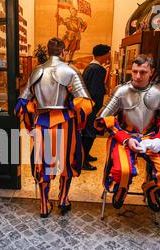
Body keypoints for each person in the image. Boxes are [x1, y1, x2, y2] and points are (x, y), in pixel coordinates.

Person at [15, 38, 93, 218]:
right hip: (66, 122)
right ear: (64, 52)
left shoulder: (36, 71)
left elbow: (22, 103)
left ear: (48, 51)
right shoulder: (70, 71)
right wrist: (76, 113)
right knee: (68, 161)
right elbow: (85, 105)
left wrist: (31, 119)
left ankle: (44, 205)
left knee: (43, 164)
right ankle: (63, 199)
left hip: (42, 123)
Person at [95, 54, 160, 212]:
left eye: (142, 72)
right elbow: (103, 119)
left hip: (151, 138)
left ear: (151, 71)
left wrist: (159, 140)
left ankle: (149, 188)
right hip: (124, 136)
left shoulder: (159, 92)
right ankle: (121, 188)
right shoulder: (121, 91)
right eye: (134, 71)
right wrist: (126, 139)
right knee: (123, 170)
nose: (137, 76)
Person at [81, 44, 111, 171]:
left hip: (85, 105)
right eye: (108, 53)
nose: (109, 55)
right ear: (104, 54)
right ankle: (82, 161)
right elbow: (96, 92)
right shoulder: (99, 70)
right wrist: (100, 108)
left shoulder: (89, 67)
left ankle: (85, 156)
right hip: (92, 107)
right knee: (90, 133)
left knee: (86, 131)